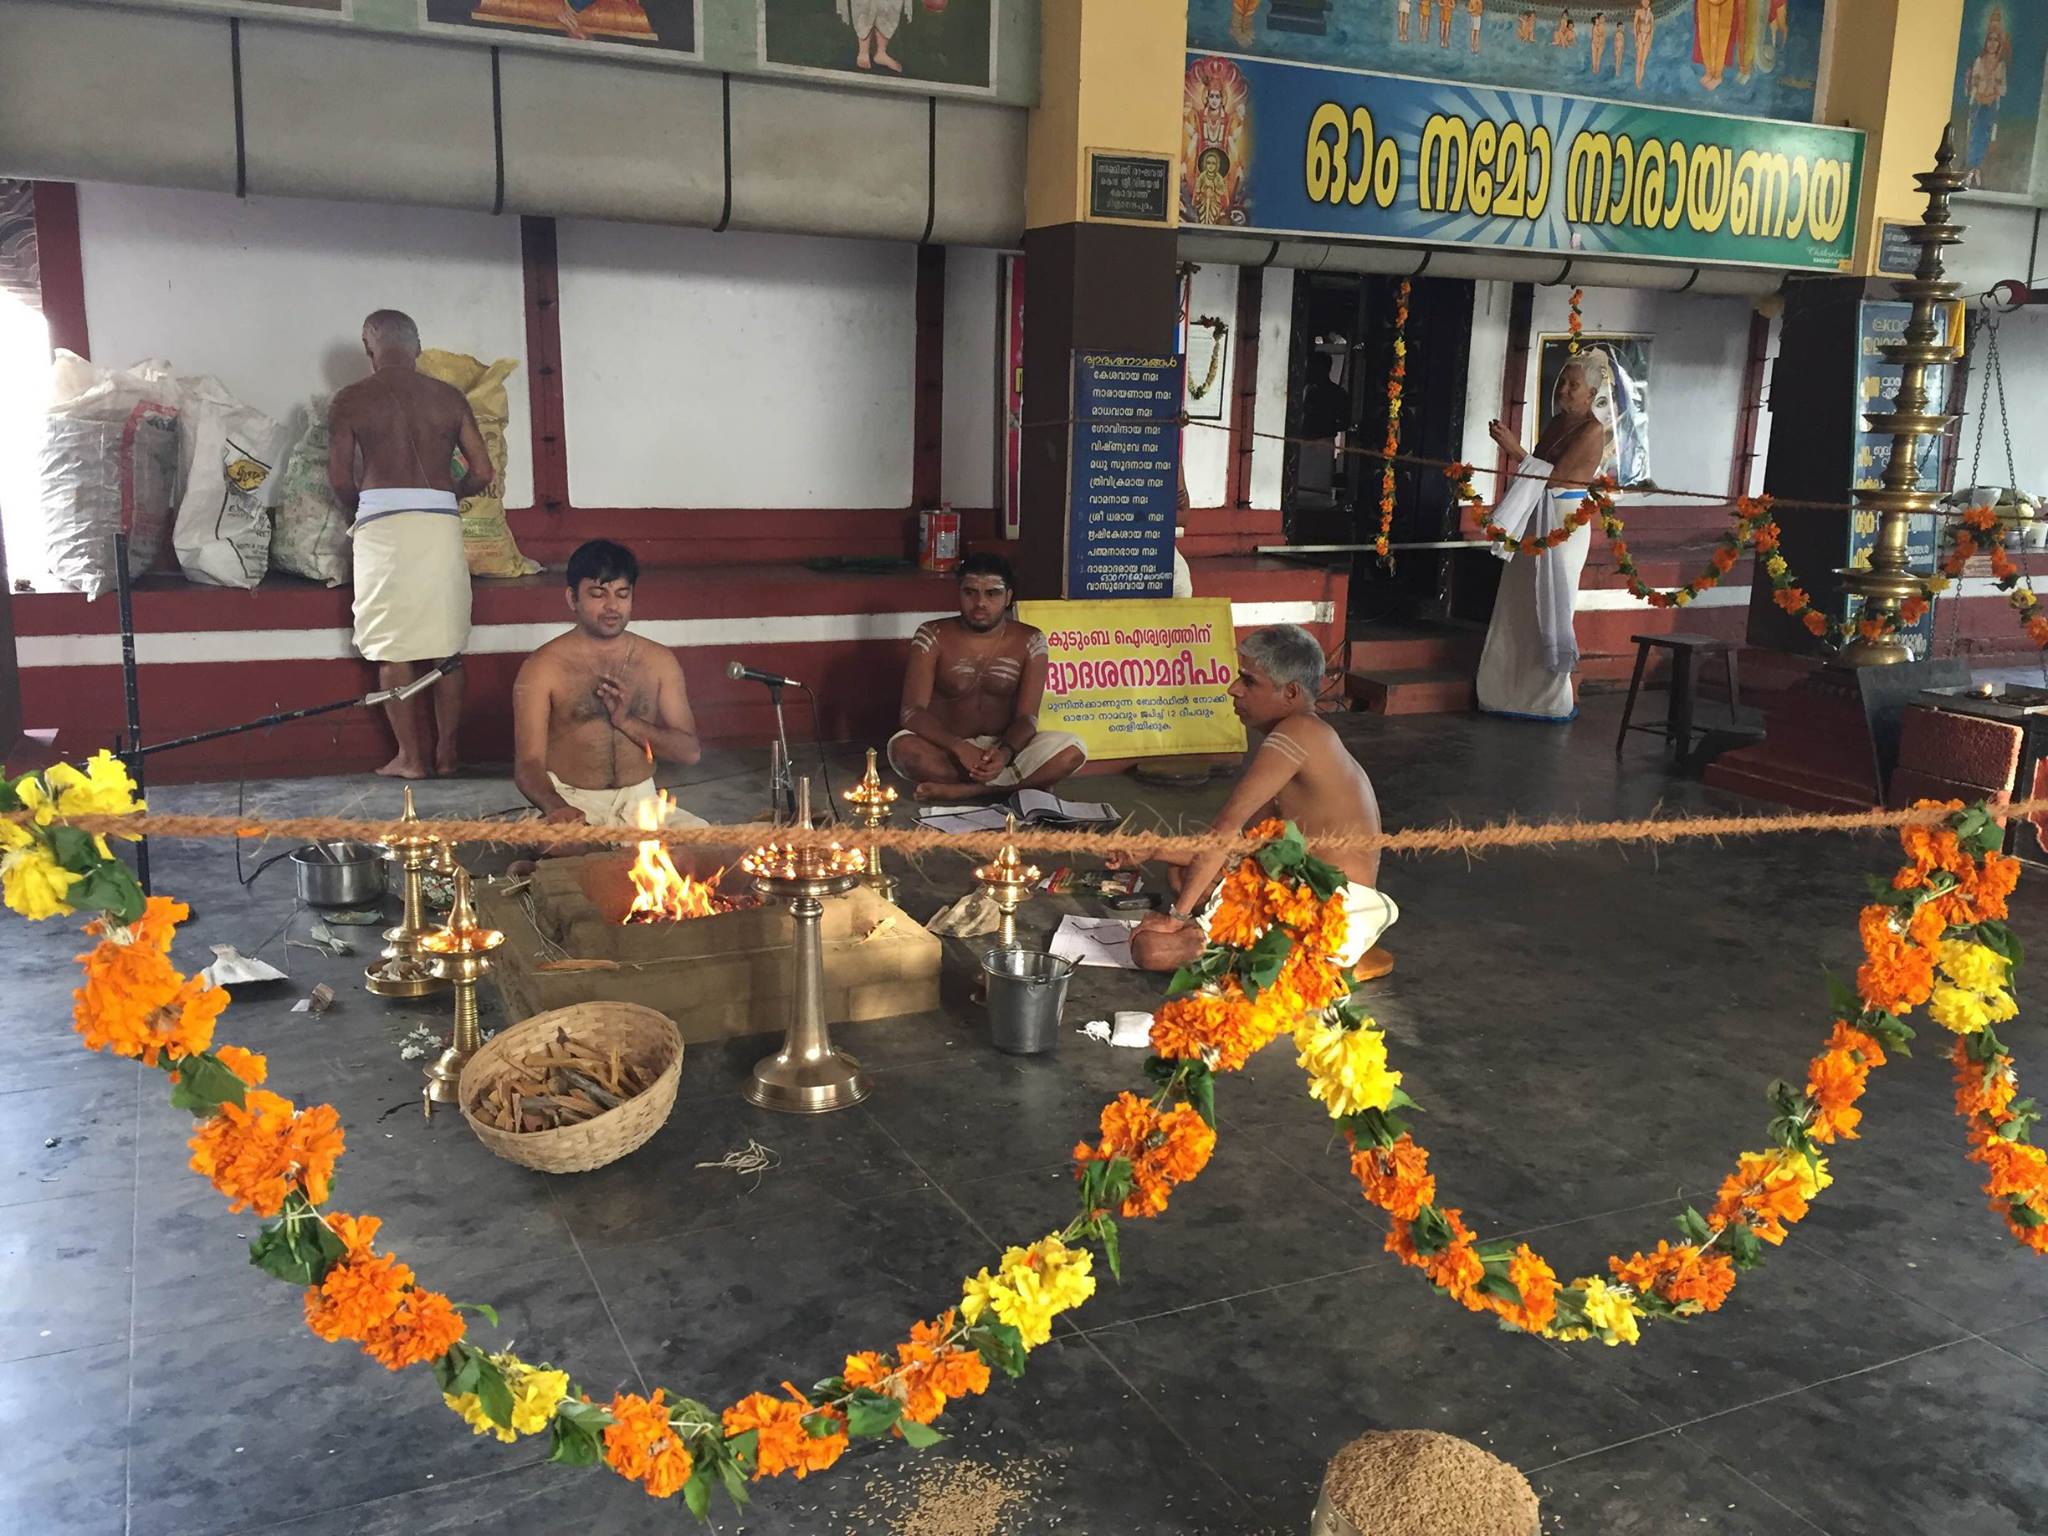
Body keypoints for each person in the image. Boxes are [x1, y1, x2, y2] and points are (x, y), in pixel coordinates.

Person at [1123, 624, 1397, 979]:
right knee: (1183, 875)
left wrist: (1175, 919)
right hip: (1307, 899)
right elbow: (1239, 845)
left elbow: (1225, 828)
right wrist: (1153, 848)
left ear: (1291, 693)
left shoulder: (1297, 731)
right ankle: (1239, 944)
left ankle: (1292, 961)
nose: (1233, 689)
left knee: (1150, 949)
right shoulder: (1301, 734)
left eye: (1248, 681)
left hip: (1331, 914)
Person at [328, 309, 491, 780]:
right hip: (440, 520)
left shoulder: (351, 399)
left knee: (391, 647)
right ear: (417, 347)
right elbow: (482, 471)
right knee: (446, 646)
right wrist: (448, 495)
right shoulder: (449, 397)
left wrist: (361, 507)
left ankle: (410, 758)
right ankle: (447, 754)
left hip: (382, 523)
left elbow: (339, 477)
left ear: (368, 346)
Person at [512, 539, 706, 829]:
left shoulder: (658, 661)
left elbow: (688, 752)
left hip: (642, 803)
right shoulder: (542, 668)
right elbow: (528, 766)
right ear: (572, 599)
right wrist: (560, 809)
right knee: (562, 852)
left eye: (622, 594)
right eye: (598, 594)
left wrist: (627, 722)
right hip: (573, 800)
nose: (612, 606)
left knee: (714, 851)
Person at [1474, 347, 1616, 722]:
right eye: (1563, 383)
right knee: (1518, 601)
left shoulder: (1592, 430)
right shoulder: (1556, 423)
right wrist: (1518, 451)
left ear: (1591, 395)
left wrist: (1513, 448)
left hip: (1564, 521)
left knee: (1551, 604)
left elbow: (1554, 476)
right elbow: (1537, 470)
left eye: (1574, 385)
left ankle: (1548, 699)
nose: (1565, 391)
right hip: (1537, 516)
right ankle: (1505, 692)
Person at [888, 552, 1086, 802]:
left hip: (1005, 747)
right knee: (906, 752)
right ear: (959, 593)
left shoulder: (1031, 640)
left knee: (1073, 751)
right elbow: (911, 713)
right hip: (948, 746)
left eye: (992, 593)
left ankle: (970, 791)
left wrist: (1004, 753)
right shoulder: (932, 635)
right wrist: (960, 747)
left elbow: (1027, 718)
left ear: (1008, 597)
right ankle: (1017, 785)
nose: (980, 603)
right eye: (970, 592)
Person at [1963, 8, 2012, 188]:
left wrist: (1992, 94)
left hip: (1990, 105)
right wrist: (1980, 94)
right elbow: (1974, 83)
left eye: (1995, 40)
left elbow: (2003, 88)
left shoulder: (2000, 65)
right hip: (1978, 102)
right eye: (1989, 40)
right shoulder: (1979, 61)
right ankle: (1970, 169)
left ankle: (1978, 170)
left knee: (1985, 137)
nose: (1992, 44)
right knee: (1974, 136)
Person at [1632, 0, 1654, 87]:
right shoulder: (1638, 12)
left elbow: (1652, 29)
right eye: (1644, 1)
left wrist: (1650, 43)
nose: (1646, 2)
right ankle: (1637, 80)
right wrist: (1636, 39)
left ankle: (1640, 80)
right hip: (1640, 36)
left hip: (1647, 37)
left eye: (1647, 1)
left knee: (1643, 62)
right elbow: (1634, 26)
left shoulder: (1651, 14)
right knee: (1639, 61)